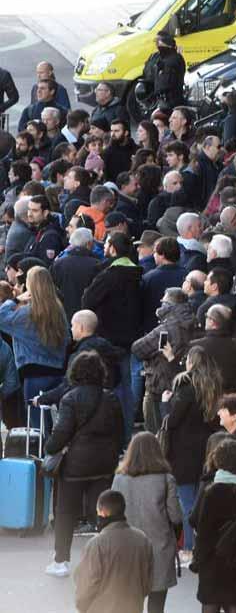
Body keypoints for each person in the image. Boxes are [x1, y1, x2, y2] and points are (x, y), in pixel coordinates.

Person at [43, 350, 124, 577]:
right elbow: (121, 433)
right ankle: (107, 561)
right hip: (105, 463)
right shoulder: (111, 397)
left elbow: (61, 433)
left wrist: (50, 448)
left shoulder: (70, 398)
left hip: (75, 465)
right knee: (104, 511)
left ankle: (61, 561)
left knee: (66, 511)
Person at [111, 432, 184, 613]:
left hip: (127, 549)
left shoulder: (119, 479)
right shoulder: (166, 479)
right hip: (158, 548)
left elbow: (111, 515)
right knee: (157, 604)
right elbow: (175, 516)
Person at [161, 345, 222, 563]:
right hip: (206, 450)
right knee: (200, 501)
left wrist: (165, 404)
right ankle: (201, 545)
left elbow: (172, 421)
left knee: (186, 502)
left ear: (191, 363)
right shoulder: (213, 389)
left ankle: (189, 547)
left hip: (183, 452)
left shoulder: (185, 387)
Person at [189, 438, 236, 613]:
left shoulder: (213, 491)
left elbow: (204, 532)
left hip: (213, 561)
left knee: (210, 605)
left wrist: (198, 559)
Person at [0, 265, 69, 430]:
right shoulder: (58, 311)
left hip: (34, 374)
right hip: (58, 372)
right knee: (55, 424)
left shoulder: (28, 314)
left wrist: (16, 300)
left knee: (38, 426)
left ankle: (45, 455)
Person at [73, 490, 155, 613]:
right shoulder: (142, 539)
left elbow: (85, 586)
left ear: (103, 512)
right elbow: (148, 582)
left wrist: (82, 607)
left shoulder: (97, 544)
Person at [131, 287, 195, 432]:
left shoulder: (166, 328)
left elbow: (137, 349)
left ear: (169, 305)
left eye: (163, 301)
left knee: (158, 432)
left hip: (160, 386)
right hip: (186, 382)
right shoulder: (194, 322)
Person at [189, 304, 236, 392]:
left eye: (206, 316)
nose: (205, 318)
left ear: (212, 322)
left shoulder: (196, 346)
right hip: (231, 398)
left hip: (205, 399)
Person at [52, 227, 101, 319]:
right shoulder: (97, 265)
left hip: (63, 314)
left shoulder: (58, 264)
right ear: (89, 244)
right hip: (88, 317)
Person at [147, 33, 186, 112]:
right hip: (161, 101)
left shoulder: (173, 60)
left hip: (171, 103)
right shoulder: (159, 57)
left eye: (158, 42)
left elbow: (165, 84)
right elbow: (148, 75)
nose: (157, 45)